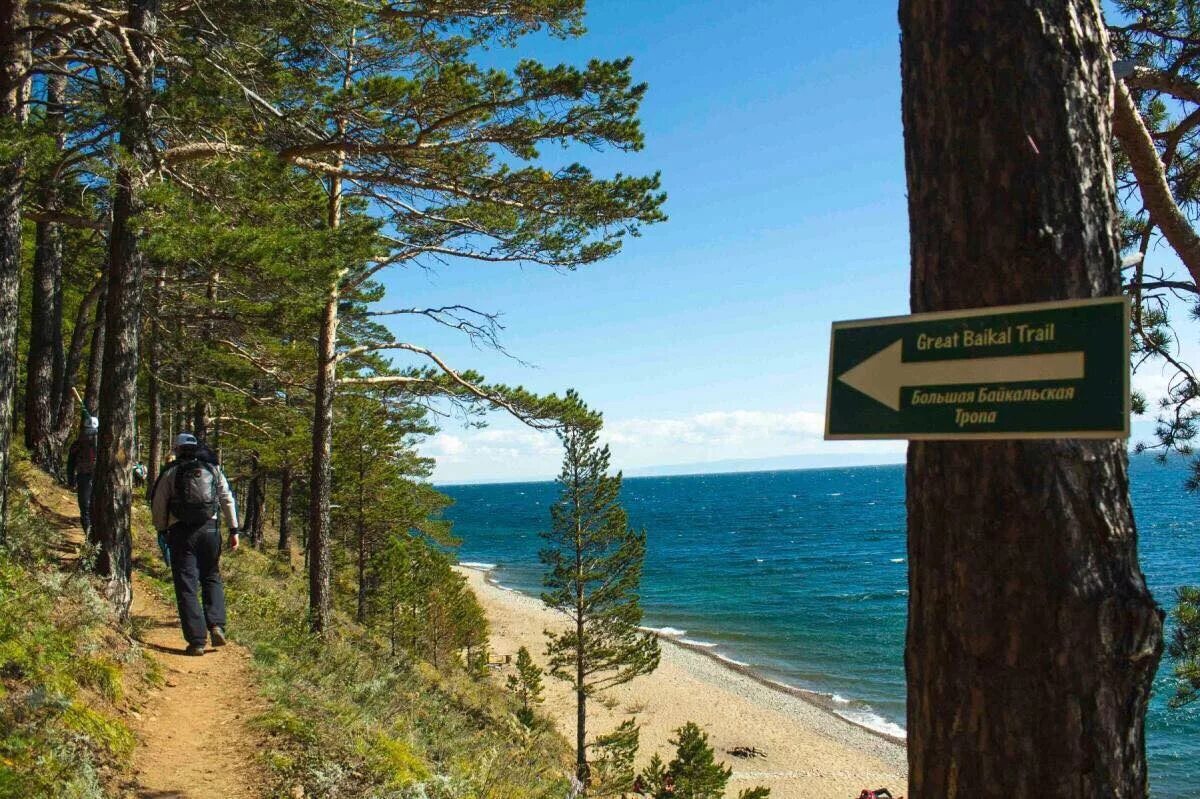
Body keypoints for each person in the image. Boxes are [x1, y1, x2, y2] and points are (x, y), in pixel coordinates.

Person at [151, 433, 240, 656]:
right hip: (210, 530)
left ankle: (197, 640)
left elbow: (159, 503)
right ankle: (217, 625)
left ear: (178, 449)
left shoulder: (171, 471)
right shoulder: (212, 469)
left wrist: (161, 529)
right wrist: (233, 530)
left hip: (181, 532)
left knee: (186, 584)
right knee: (211, 576)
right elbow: (227, 498)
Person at [66, 416, 100, 536]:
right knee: (86, 508)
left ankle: (94, 538)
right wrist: (71, 480)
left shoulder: (103, 444)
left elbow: (70, 464)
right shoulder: (77, 445)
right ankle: (90, 538)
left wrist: (71, 480)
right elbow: (71, 463)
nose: (89, 436)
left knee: (91, 508)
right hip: (84, 478)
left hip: (97, 479)